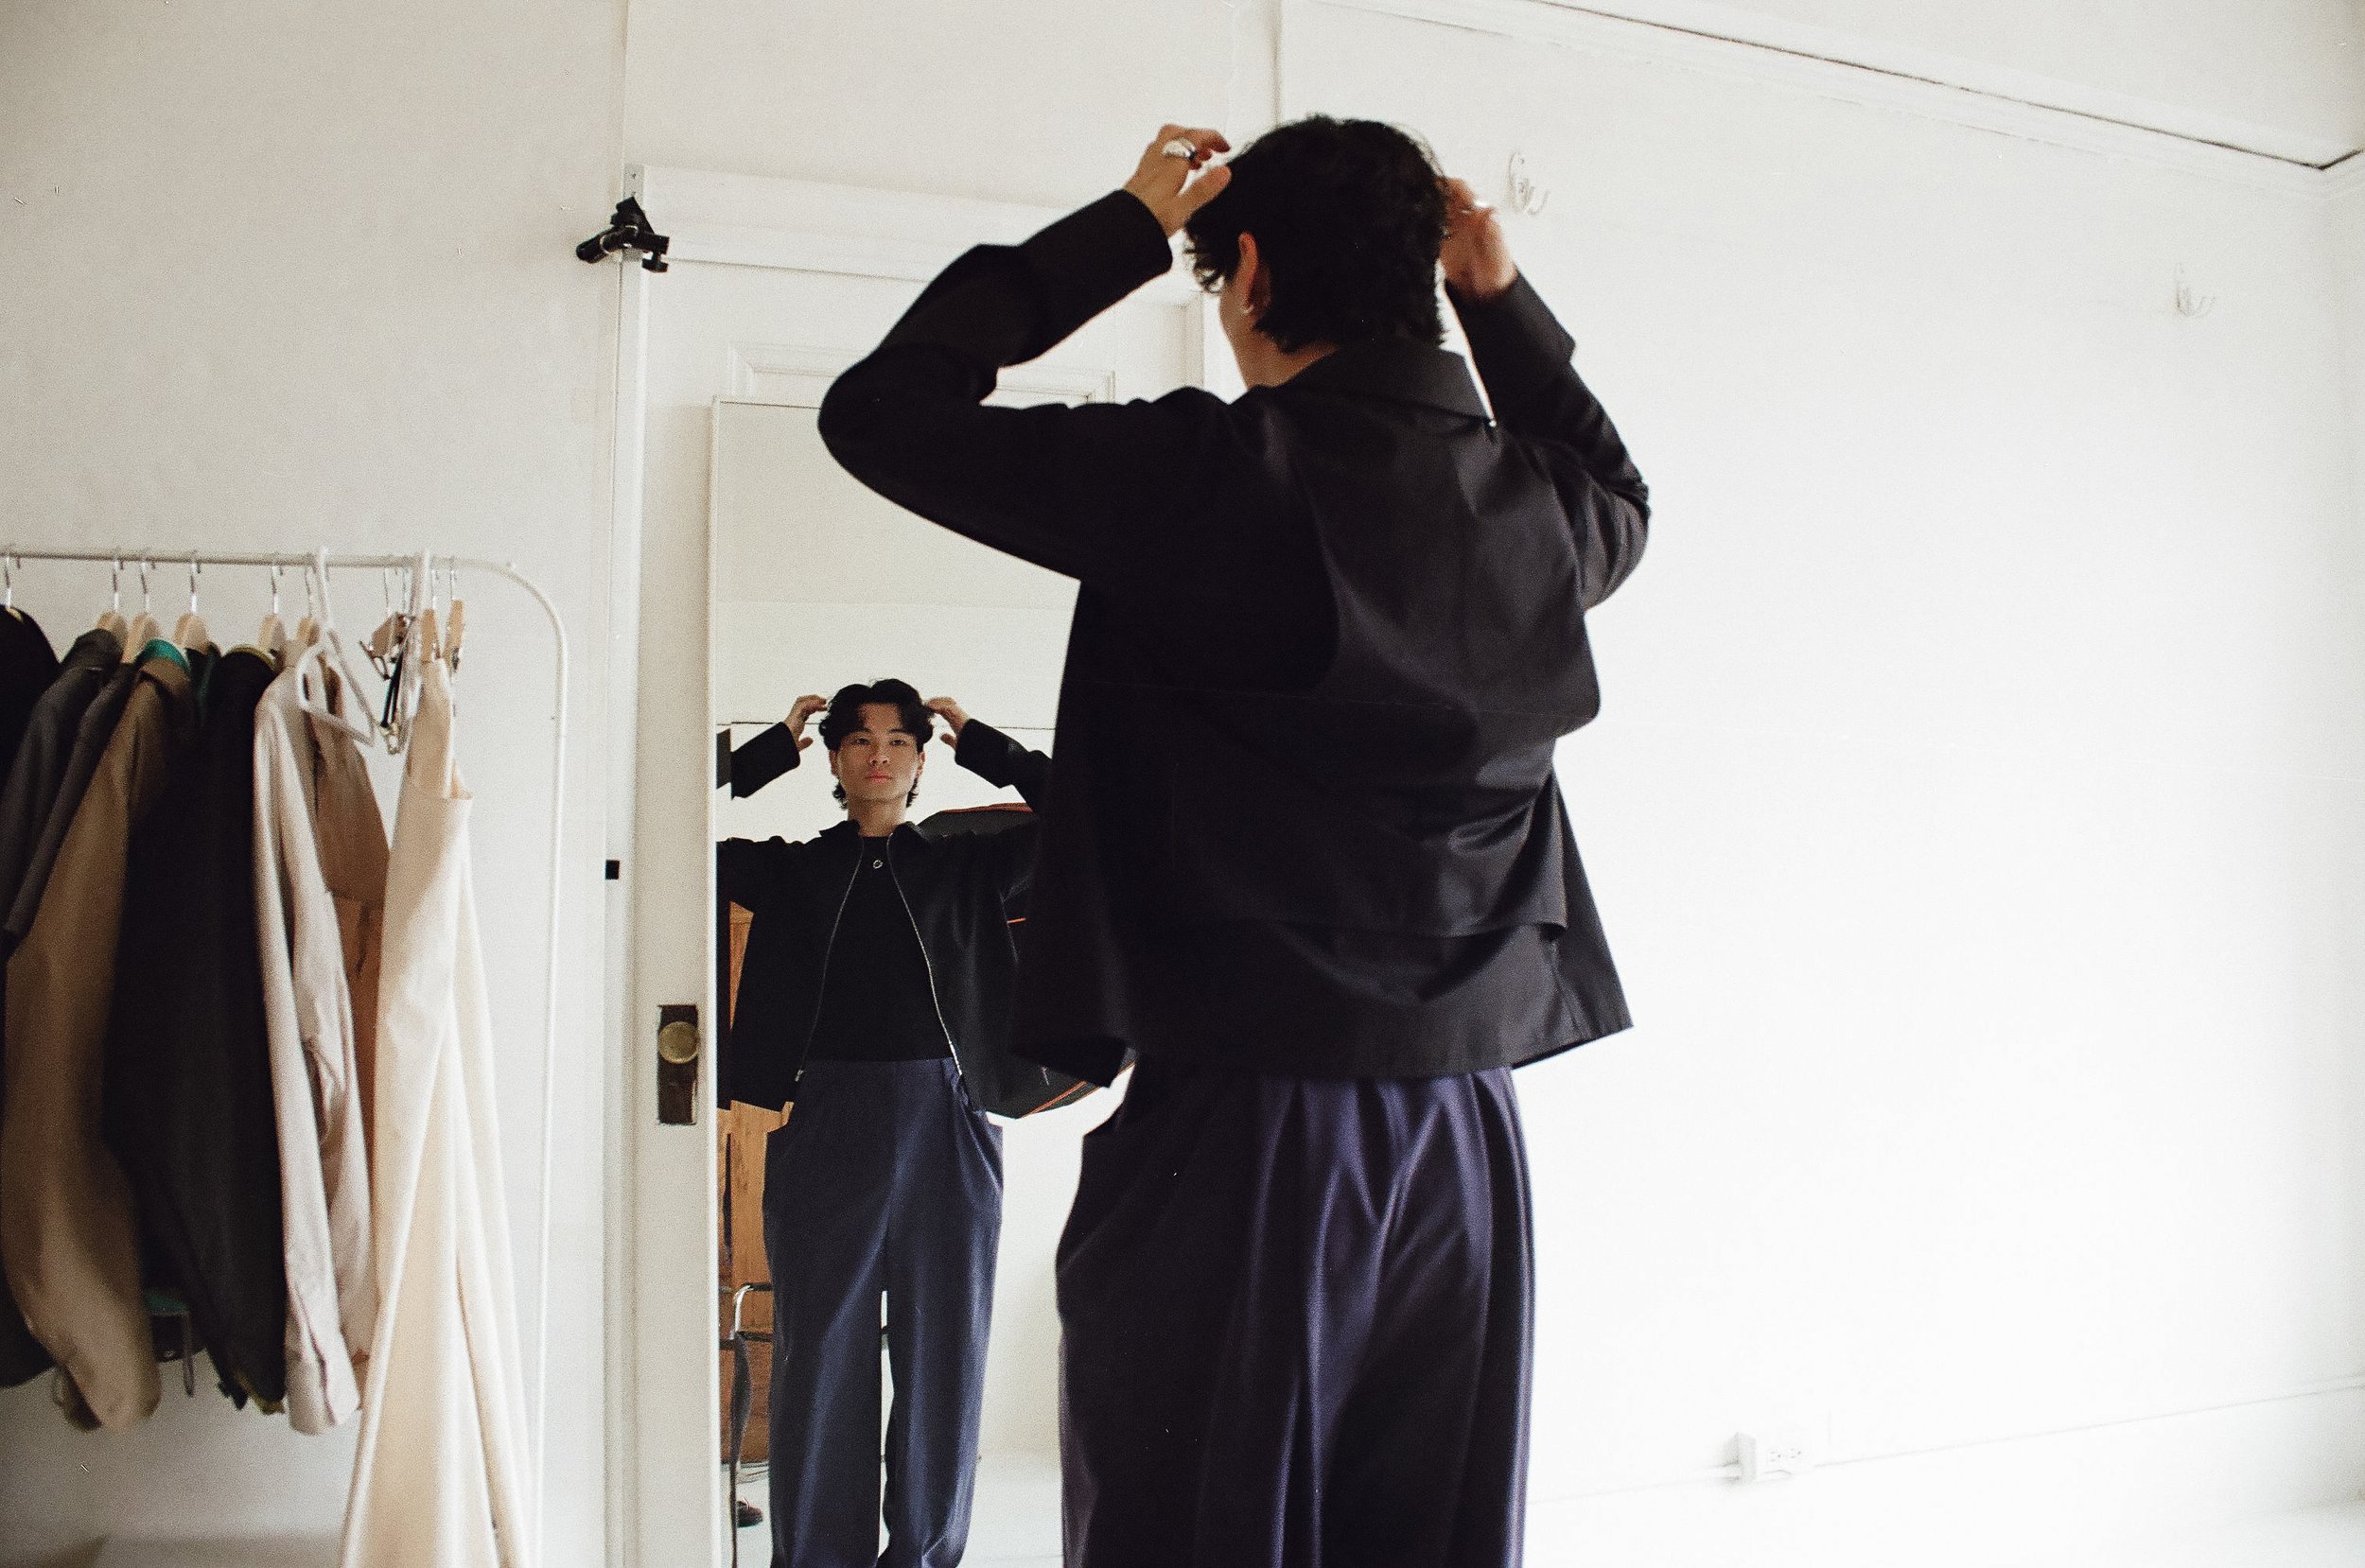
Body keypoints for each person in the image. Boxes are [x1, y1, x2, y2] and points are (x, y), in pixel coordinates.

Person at [816, 116, 1651, 1567]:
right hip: (1465, 1127)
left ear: (1248, 270)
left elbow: (878, 413)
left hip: (1248, 1121)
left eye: (1212, 278)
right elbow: (1625, 494)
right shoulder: (1538, 510)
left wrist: (1125, 227)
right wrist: (1500, 302)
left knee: (1193, 1531)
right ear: (1422, 278)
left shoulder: (1206, 475)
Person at [718, 678, 1069, 1568]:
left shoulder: (967, 864)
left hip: (948, 1127)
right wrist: (765, 749)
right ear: (834, 759)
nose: (880, 754)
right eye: (861, 740)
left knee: (943, 1357)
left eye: (900, 741)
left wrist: (983, 741)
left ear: (921, 760)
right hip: (825, 1124)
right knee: (819, 1359)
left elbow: (1093, 816)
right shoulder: (793, 868)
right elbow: (659, 828)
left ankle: (925, 1553)